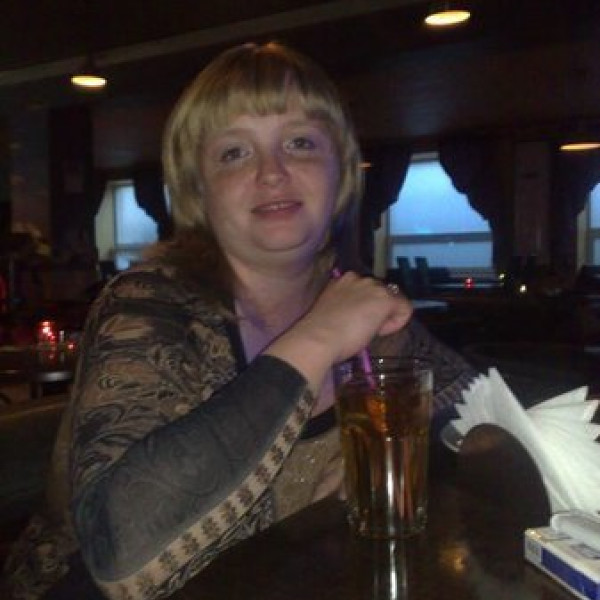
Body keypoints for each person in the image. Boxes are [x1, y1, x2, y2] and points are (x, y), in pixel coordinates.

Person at [2, 41, 476, 600]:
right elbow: (119, 550)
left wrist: (402, 460)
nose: (272, 173)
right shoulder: (149, 304)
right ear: (197, 189)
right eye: (234, 152)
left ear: (341, 171)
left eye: (300, 143)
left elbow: (483, 414)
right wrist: (319, 337)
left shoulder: (360, 306)